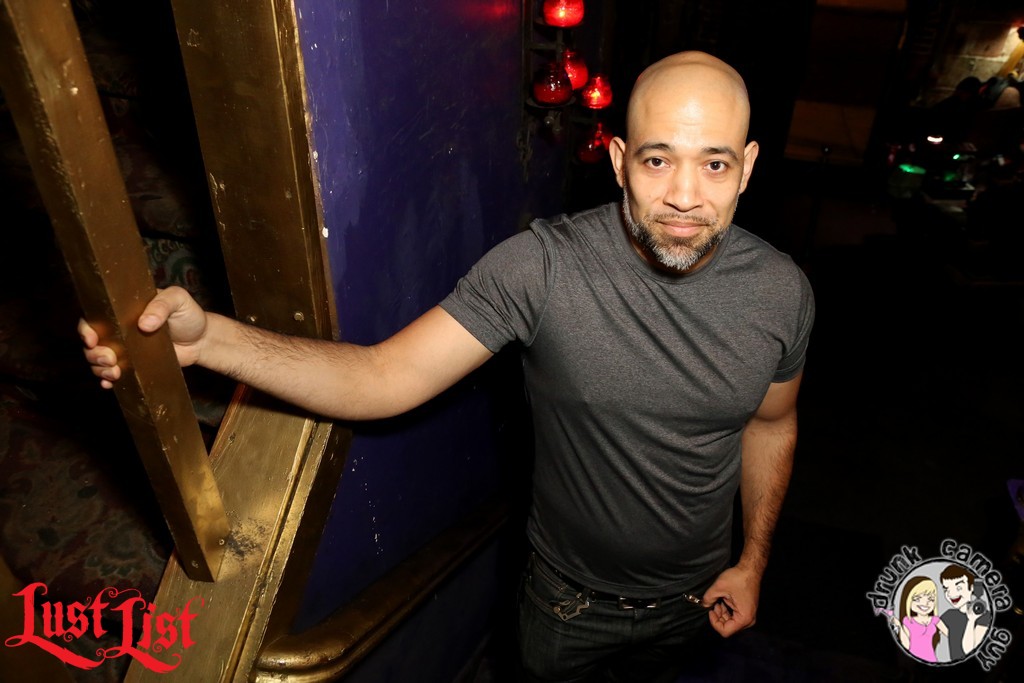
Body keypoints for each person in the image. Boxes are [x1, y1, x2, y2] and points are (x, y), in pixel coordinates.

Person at [81, 51, 814, 682]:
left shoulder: (782, 294)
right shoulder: (541, 270)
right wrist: (208, 342)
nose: (684, 196)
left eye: (714, 163)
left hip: (694, 600)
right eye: (658, 160)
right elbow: (382, 377)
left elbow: (772, 425)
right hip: (567, 607)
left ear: (747, 167)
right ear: (620, 160)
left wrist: (752, 562)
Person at [890, 576, 948, 662]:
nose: (925, 603)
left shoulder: (935, 620)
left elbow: (951, 635)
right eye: (917, 599)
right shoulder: (908, 621)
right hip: (912, 660)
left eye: (931, 599)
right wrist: (898, 626)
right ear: (908, 600)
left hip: (931, 659)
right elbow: (906, 645)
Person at [940, 565, 991, 660]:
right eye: (946, 589)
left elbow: (968, 650)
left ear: (971, 587)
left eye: (958, 588)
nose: (951, 593)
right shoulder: (949, 615)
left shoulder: (984, 616)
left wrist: (971, 620)